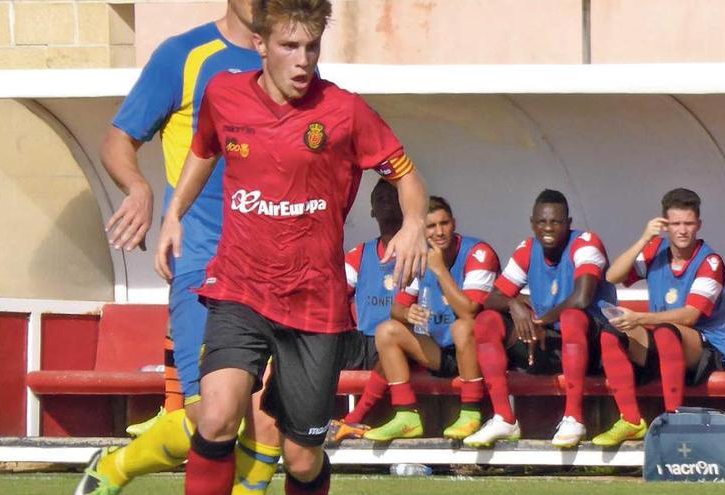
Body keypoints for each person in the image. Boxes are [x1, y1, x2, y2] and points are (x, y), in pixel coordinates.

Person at [154, 0, 429, 492]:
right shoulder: (224, 94)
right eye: (289, 46)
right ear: (259, 45)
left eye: (312, 46)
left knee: (301, 459)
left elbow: (406, 175)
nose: (303, 60)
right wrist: (173, 214)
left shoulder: (344, 111)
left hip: (313, 303)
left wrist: (412, 223)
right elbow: (203, 150)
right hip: (239, 285)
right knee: (215, 417)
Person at [75, 2, 282, 495]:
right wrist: (140, 189)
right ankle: (117, 467)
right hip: (204, 261)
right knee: (211, 415)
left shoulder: (287, 57)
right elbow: (117, 139)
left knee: (273, 421)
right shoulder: (185, 56)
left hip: (274, 271)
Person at [463, 189, 617, 448]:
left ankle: (574, 417)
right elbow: (491, 298)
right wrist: (514, 304)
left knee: (571, 318)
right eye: (542, 222)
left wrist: (539, 321)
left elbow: (582, 298)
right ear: (532, 223)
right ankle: (504, 417)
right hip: (548, 340)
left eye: (556, 222)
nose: (548, 228)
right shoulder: (527, 248)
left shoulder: (586, 243)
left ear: (568, 224)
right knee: (487, 321)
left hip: (591, 346)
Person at [593, 188, 725, 446]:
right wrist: (644, 239)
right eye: (676, 224)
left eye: (689, 223)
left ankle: (673, 421)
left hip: (707, 350)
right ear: (665, 225)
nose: (682, 230)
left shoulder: (710, 262)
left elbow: (690, 316)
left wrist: (640, 318)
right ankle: (631, 420)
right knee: (612, 333)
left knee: (667, 331)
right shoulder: (657, 250)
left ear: (698, 225)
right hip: (663, 339)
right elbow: (613, 276)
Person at [358, 196, 499, 442]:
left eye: (444, 224)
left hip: (477, 354)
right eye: (431, 227)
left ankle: (470, 412)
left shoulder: (477, 253)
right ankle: (406, 416)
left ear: (454, 223)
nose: (439, 232)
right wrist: (407, 313)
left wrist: (440, 270)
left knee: (462, 326)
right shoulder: (420, 256)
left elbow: (470, 311)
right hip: (441, 352)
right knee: (387, 330)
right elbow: (397, 309)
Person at [327, 180, 403, 443]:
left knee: (394, 342)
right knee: (316, 346)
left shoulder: (419, 251)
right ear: (371, 210)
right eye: (379, 198)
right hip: (365, 340)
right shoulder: (359, 254)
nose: (386, 201)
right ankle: (311, 425)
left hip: (408, 340)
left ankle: (353, 419)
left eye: (392, 196)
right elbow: (335, 296)